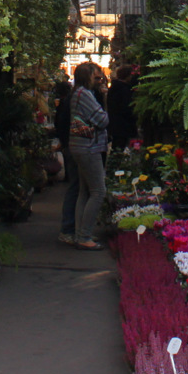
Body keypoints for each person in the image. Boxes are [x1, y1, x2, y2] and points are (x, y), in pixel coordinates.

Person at [64, 62, 109, 250]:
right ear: (87, 76)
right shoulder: (86, 95)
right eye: (95, 76)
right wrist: (105, 99)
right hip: (89, 148)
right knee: (98, 191)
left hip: (79, 146)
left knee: (85, 192)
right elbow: (103, 120)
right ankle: (84, 236)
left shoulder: (76, 94)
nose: (97, 79)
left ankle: (79, 233)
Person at [106, 64, 138, 150]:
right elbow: (126, 108)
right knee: (121, 148)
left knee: (117, 147)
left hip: (116, 125)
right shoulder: (124, 89)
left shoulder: (114, 88)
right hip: (124, 126)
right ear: (127, 76)